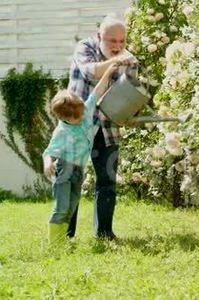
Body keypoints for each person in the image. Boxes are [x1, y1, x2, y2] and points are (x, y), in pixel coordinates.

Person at [67, 15, 137, 240]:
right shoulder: (84, 48)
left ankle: (105, 234)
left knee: (107, 182)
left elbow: (130, 94)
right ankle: (64, 235)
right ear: (99, 37)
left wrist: (129, 115)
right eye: (111, 41)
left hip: (108, 127)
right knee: (70, 180)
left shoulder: (127, 59)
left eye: (121, 41)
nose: (117, 47)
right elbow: (92, 72)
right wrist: (118, 62)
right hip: (77, 127)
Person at [43, 62, 120, 246]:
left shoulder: (83, 112)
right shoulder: (62, 132)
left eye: (80, 113)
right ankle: (55, 244)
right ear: (63, 118)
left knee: (71, 206)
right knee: (61, 207)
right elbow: (49, 151)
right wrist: (48, 164)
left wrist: (109, 71)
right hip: (64, 170)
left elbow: (98, 91)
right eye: (75, 118)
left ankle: (64, 240)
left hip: (78, 170)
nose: (80, 119)